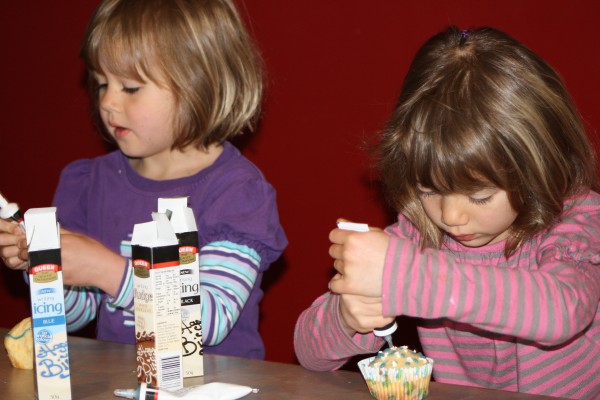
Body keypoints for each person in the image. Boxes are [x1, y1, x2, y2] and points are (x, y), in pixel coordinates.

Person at [294, 26, 600, 399]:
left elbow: (561, 311)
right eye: (429, 190)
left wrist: (405, 276)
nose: (451, 216)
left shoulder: (575, 218)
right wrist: (346, 316)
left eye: (481, 195)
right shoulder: (419, 233)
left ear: (538, 165)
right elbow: (307, 354)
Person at [0, 0, 287, 360]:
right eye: (102, 83)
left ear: (200, 83)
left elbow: (208, 322)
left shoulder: (236, 194)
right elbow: (74, 315)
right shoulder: (89, 183)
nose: (108, 102)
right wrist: (42, 264)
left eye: (131, 88)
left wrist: (108, 271)